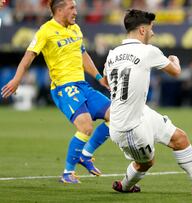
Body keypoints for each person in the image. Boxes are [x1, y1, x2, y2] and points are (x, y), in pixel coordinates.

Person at [104, 9, 192, 196]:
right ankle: (125, 186)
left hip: (138, 112)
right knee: (146, 162)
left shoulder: (113, 54)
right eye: (151, 28)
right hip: (128, 126)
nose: (153, 33)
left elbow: (105, 80)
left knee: (180, 138)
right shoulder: (147, 51)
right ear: (142, 31)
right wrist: (174, 59)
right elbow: (176, 71)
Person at [1, 0, 111, 184]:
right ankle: (68, 173)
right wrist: (16, 79)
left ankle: (85, 154)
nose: (76, 11)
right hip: (63, 87)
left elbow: (83, 55)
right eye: (72, 8)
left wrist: (100, 78)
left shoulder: (75, 29)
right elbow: (28, 56)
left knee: (116, 116)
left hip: (82, 85)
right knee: (85, 127)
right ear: (59, 10)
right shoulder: (46, 31)